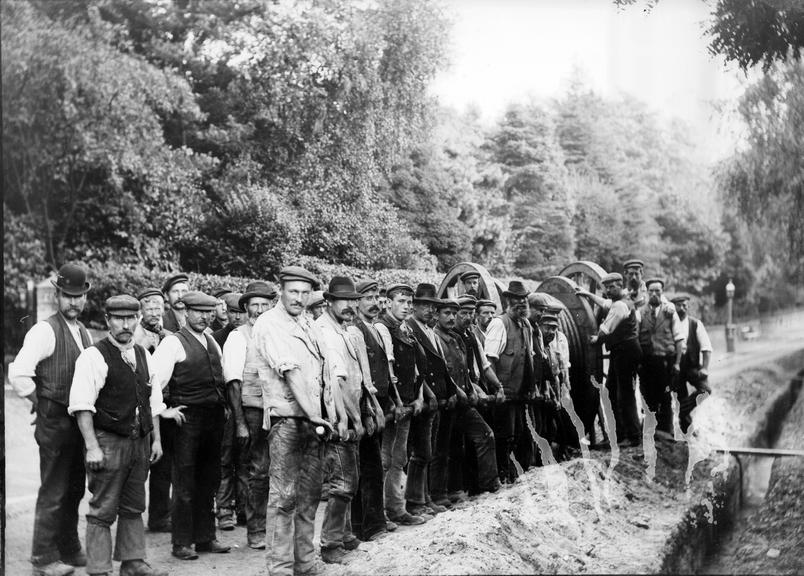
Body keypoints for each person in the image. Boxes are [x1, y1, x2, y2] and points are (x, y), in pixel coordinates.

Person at [68, 295, 174, 576]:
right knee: (102, 508)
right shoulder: (93, 356)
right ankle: (99, 569)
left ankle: (133, 561)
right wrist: (92, 447)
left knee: (134, 504)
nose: (125, 324)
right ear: (108, 321)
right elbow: (81, 406)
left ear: (138, 319)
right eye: (119, 318)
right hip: (109, 441)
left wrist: (157, 439)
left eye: (131, 318)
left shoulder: (144, 354)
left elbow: (153, 401)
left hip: (139, 441)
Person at [8, 263, 93, 576]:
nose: (73, 302)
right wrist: (39, 401)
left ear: (86, 296)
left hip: (77, 423)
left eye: (79, 296)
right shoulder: (44, 330)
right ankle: (43, 558)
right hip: (55, 421)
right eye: (67, 296)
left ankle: (68, 548)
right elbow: (17, 373)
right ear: (57, 295)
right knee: (53, 490)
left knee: (74, 489)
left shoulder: (82, 331)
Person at [252, 266, 335, 576]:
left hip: (313, 424)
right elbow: (291, 372)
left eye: (304, 293)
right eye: (293, 291)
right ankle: (280, 568)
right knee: (284, 497)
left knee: (309, 497)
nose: (299, 298)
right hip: (287, 422)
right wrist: (314, 413)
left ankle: (305, 562)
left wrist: (327, 414)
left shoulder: (309, 323)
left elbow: (325, 372)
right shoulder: (270, 324)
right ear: (281, 289)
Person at [151, 291, 231, 560]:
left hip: (213, 419)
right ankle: (181, 542)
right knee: (184, 482)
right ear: (185, 311)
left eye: (208, 312)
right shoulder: (173, 343)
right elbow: (153, 384)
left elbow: (219, 379)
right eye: (198, 311)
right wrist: (164, 411)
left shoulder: (211, 342)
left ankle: (205, 538)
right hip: (187, 420)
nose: (204, 316)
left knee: (208, 480)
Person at [316, 276, 383, 563]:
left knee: (349, 478)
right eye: (343, 301)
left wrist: (371, 408)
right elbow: (336, 381)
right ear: (328, 301)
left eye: (353, 301)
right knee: (341, 482)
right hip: (335, 417)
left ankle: (343, 534)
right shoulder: (324, 332)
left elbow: (360, 379)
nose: (350, 306)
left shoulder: (346, 330)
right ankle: (330, 545)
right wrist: (353, 419)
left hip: (352, 413)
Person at [221, 281, 277, 549]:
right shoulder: (238, 336)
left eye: (265, 305)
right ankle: (256, 530)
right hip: (252, 411)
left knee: (275, 471)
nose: (259, 309)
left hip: (276, 410)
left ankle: (271, 529)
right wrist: (240, 422)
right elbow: (233, 382)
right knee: (258, 470)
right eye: (254, 305)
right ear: (246, 308)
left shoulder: (275, 333)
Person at [436, 296, 501, 501]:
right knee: (448, 448)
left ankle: (487, 485)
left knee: (483, 436)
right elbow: (442, 371)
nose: (464, 317)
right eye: (458, 313)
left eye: (466, 313)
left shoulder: (461, 338)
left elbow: (468, 369)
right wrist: (459, 391)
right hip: (449, 401)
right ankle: (448, 492)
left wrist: (473, 389)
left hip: (464, 400)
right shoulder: (439, 337)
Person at [374, 284, 427, 527]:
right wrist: (395, 403)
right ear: (388, 302)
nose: (407, 306)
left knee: (398, 458)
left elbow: (414, 367)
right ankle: (379, 514)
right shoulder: (382, 328)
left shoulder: (404, 329)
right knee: (385, 459)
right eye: (401, 301)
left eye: (409, 302)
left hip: (406, 402)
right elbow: (387, 370)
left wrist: (418, 397)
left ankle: (396, 508)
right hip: (391, 405)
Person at [348, 280, 397, 541]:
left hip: (377, 408)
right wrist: (368, 410)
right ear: (356, 302)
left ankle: (374, 522)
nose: (374, 302)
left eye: (376, 296)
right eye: (367, 297)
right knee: (367, 468)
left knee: (374, 466)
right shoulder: (356, 331)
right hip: (364, 408)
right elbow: (360, 378)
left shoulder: (375, 330)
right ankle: (366, 527)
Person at [578, 273, 642, 447]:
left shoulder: (621, 305)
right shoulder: (618, 301)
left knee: (625, 394)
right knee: (612, 391)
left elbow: (606, 329)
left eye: (611, 287)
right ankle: (620, 435)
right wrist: (588, 294)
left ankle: (633, 436)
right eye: (605, 287)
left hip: (626, 351)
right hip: (620, 351)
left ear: (620, 286)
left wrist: (595, 340)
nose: (607, 290)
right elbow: (605, 303)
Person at [404, 283, 450, 518]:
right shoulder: (409, 329)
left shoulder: (428, 330)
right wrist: (429, 394)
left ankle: (425, 497)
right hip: (423, 397)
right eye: (425, 306)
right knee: (420, 452)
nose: (430, 310)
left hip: (436, 399)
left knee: (428, 451)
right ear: (415, 306)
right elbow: (416, 370)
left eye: (433, 306)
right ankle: (414, 501)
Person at [484, 281, 535, 483]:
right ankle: (503, 475)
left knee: (521, 433)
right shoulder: (499, 324)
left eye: (524, 299)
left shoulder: (526, 325)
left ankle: (515, 474)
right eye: (517, 299)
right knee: (505, 435)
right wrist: (498, 389)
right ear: (508, 301)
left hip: (521, 393)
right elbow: (489, 360)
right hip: (504, 393)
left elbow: (529, 358)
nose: (521, 303)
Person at [132, 288, 174, 534]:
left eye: (159, 307)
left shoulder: (166, 334)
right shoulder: (135, 335)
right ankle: (132, 517)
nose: (155, 312)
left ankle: (159, 517)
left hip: (161, 407)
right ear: (141, 310)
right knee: (138, 463)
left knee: (162, 464)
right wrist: (142, 345)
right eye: (150, 308)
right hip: (138, 408)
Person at [212, 291, 246, 531]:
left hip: (247, 406)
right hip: (225, 408)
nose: (236, 316)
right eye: (232, 311)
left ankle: (245, 508)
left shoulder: (252, 336)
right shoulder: (216, 338)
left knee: (246, 460)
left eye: (240, 312)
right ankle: (224, 509)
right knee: (224, 459)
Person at [638, 279, 685, 436]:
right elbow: (636, 337)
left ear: (662, 293)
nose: (654, 294)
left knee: (665, 396)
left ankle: (666, 431)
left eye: (657, 291)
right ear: (646, 292)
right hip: (647, 363)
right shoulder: (641, 312)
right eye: (651, 291)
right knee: (647, 396)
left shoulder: (670, 312)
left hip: (665, 362)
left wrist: (677, 363)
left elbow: (679, 339)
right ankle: (650, 430)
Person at [670, 294, 713, 434]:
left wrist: (705, 368)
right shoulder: (669, 323)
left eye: (685, 305)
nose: (682, 308)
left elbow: (706, 347)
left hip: (692, 366)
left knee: (705, 389)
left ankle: (681, 411)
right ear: (673, 307)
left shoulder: (695, 324)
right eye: (679, 305)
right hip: (676, 367)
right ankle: (687, 433)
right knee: (681, 394)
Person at [133, 288, 170, 354]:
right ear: (141, 311)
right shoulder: (133, 335)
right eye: (149, 310)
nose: (154, 314)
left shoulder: (169, 335)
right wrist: (142, 347)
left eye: (157, 309)